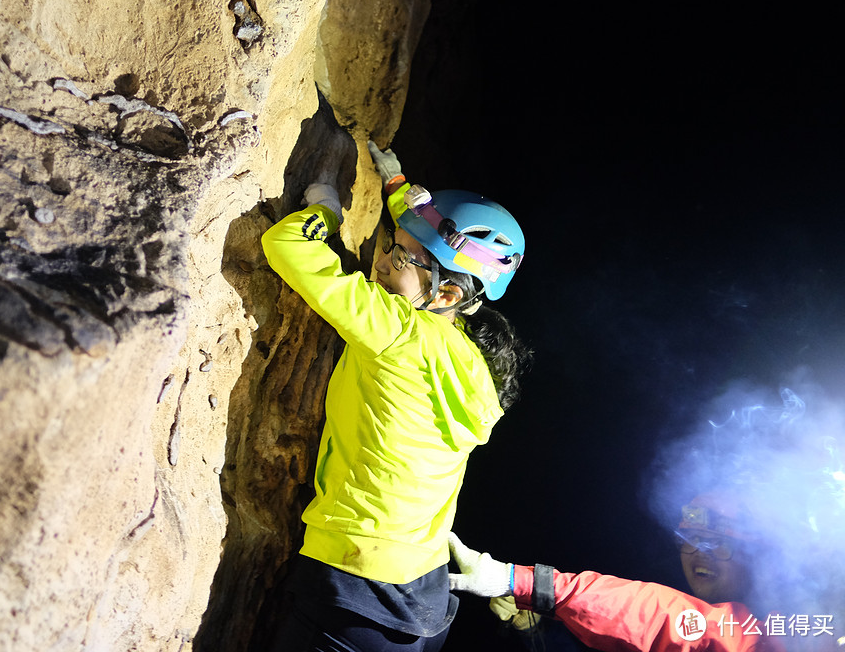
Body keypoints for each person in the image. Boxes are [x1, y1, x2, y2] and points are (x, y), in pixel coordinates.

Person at [260, 141, 533, 651]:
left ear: (448, 293)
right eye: (389, 243)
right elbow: (433, 242)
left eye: (399, 256)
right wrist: (397, 190)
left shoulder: (395, 330)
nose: (380, 262)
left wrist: (322, 210)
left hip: (353, 589)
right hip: (419, 599)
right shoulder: (473, 362)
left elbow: (288, 246)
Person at [447, 489, 789, 652]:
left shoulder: (774, 629)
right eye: (692, 539)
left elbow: (661, 617)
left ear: (755, 556)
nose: (700, 554)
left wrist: (518, 580)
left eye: (719, 544)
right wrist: (532, 631)